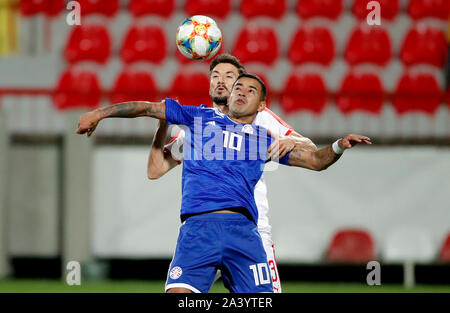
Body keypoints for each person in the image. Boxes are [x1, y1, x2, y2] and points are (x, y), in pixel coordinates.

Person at [77, 73, 372, 293]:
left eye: (251, 90)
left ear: (262, 105)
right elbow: (146, 108)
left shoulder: (264, 140)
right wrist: (99, 114)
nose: (242, 92)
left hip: (243, 233)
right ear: (228, 97)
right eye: (237, 88)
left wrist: (339, 146)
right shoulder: (197, 118)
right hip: (197, 230)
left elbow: (316, 161)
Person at [147, 54, 317, 293]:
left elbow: (310, 148)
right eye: (215, 76)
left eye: (229, 77)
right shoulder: (199, 126)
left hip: (251, 231)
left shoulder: (262, 118)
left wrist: (288, 139)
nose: (221, 81)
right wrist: (162, 122)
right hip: (204, 228)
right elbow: (155, 170)